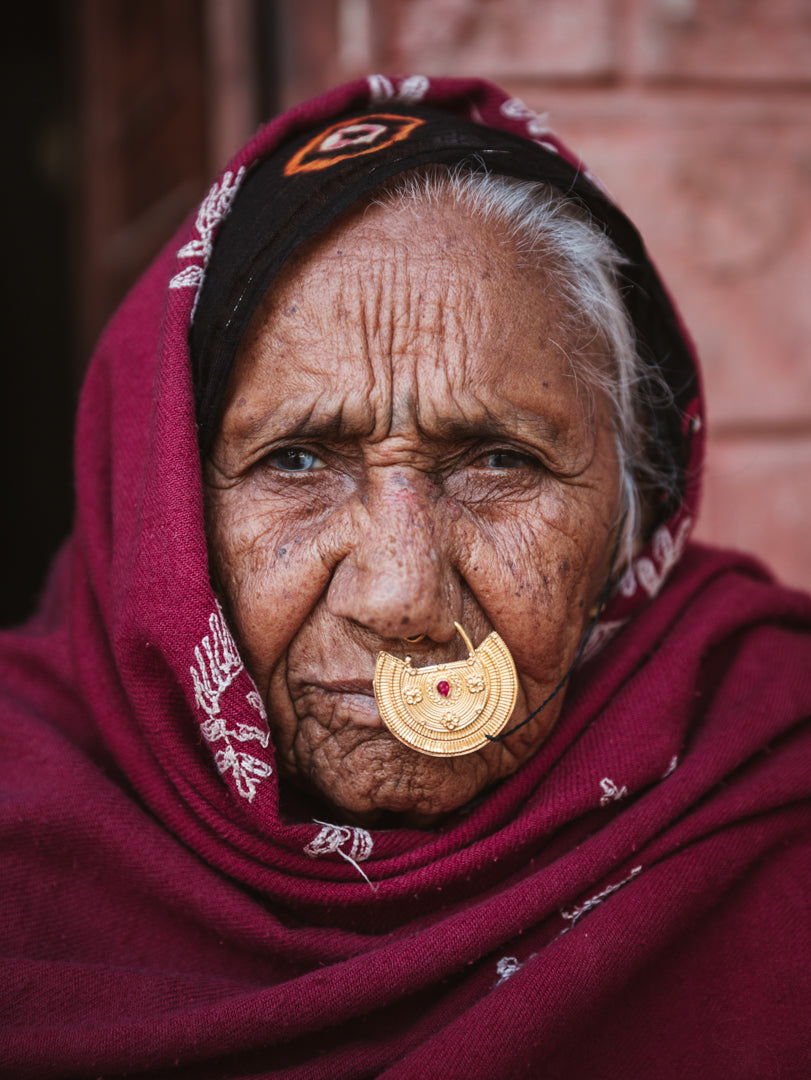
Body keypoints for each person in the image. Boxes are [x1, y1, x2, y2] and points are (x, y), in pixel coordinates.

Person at [1, 74, 809, 1079]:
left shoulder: (770, 773)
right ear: (161, 511)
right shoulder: (22, 832)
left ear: (634, 512)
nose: (400, 598)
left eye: (499, 459)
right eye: (294, 459)